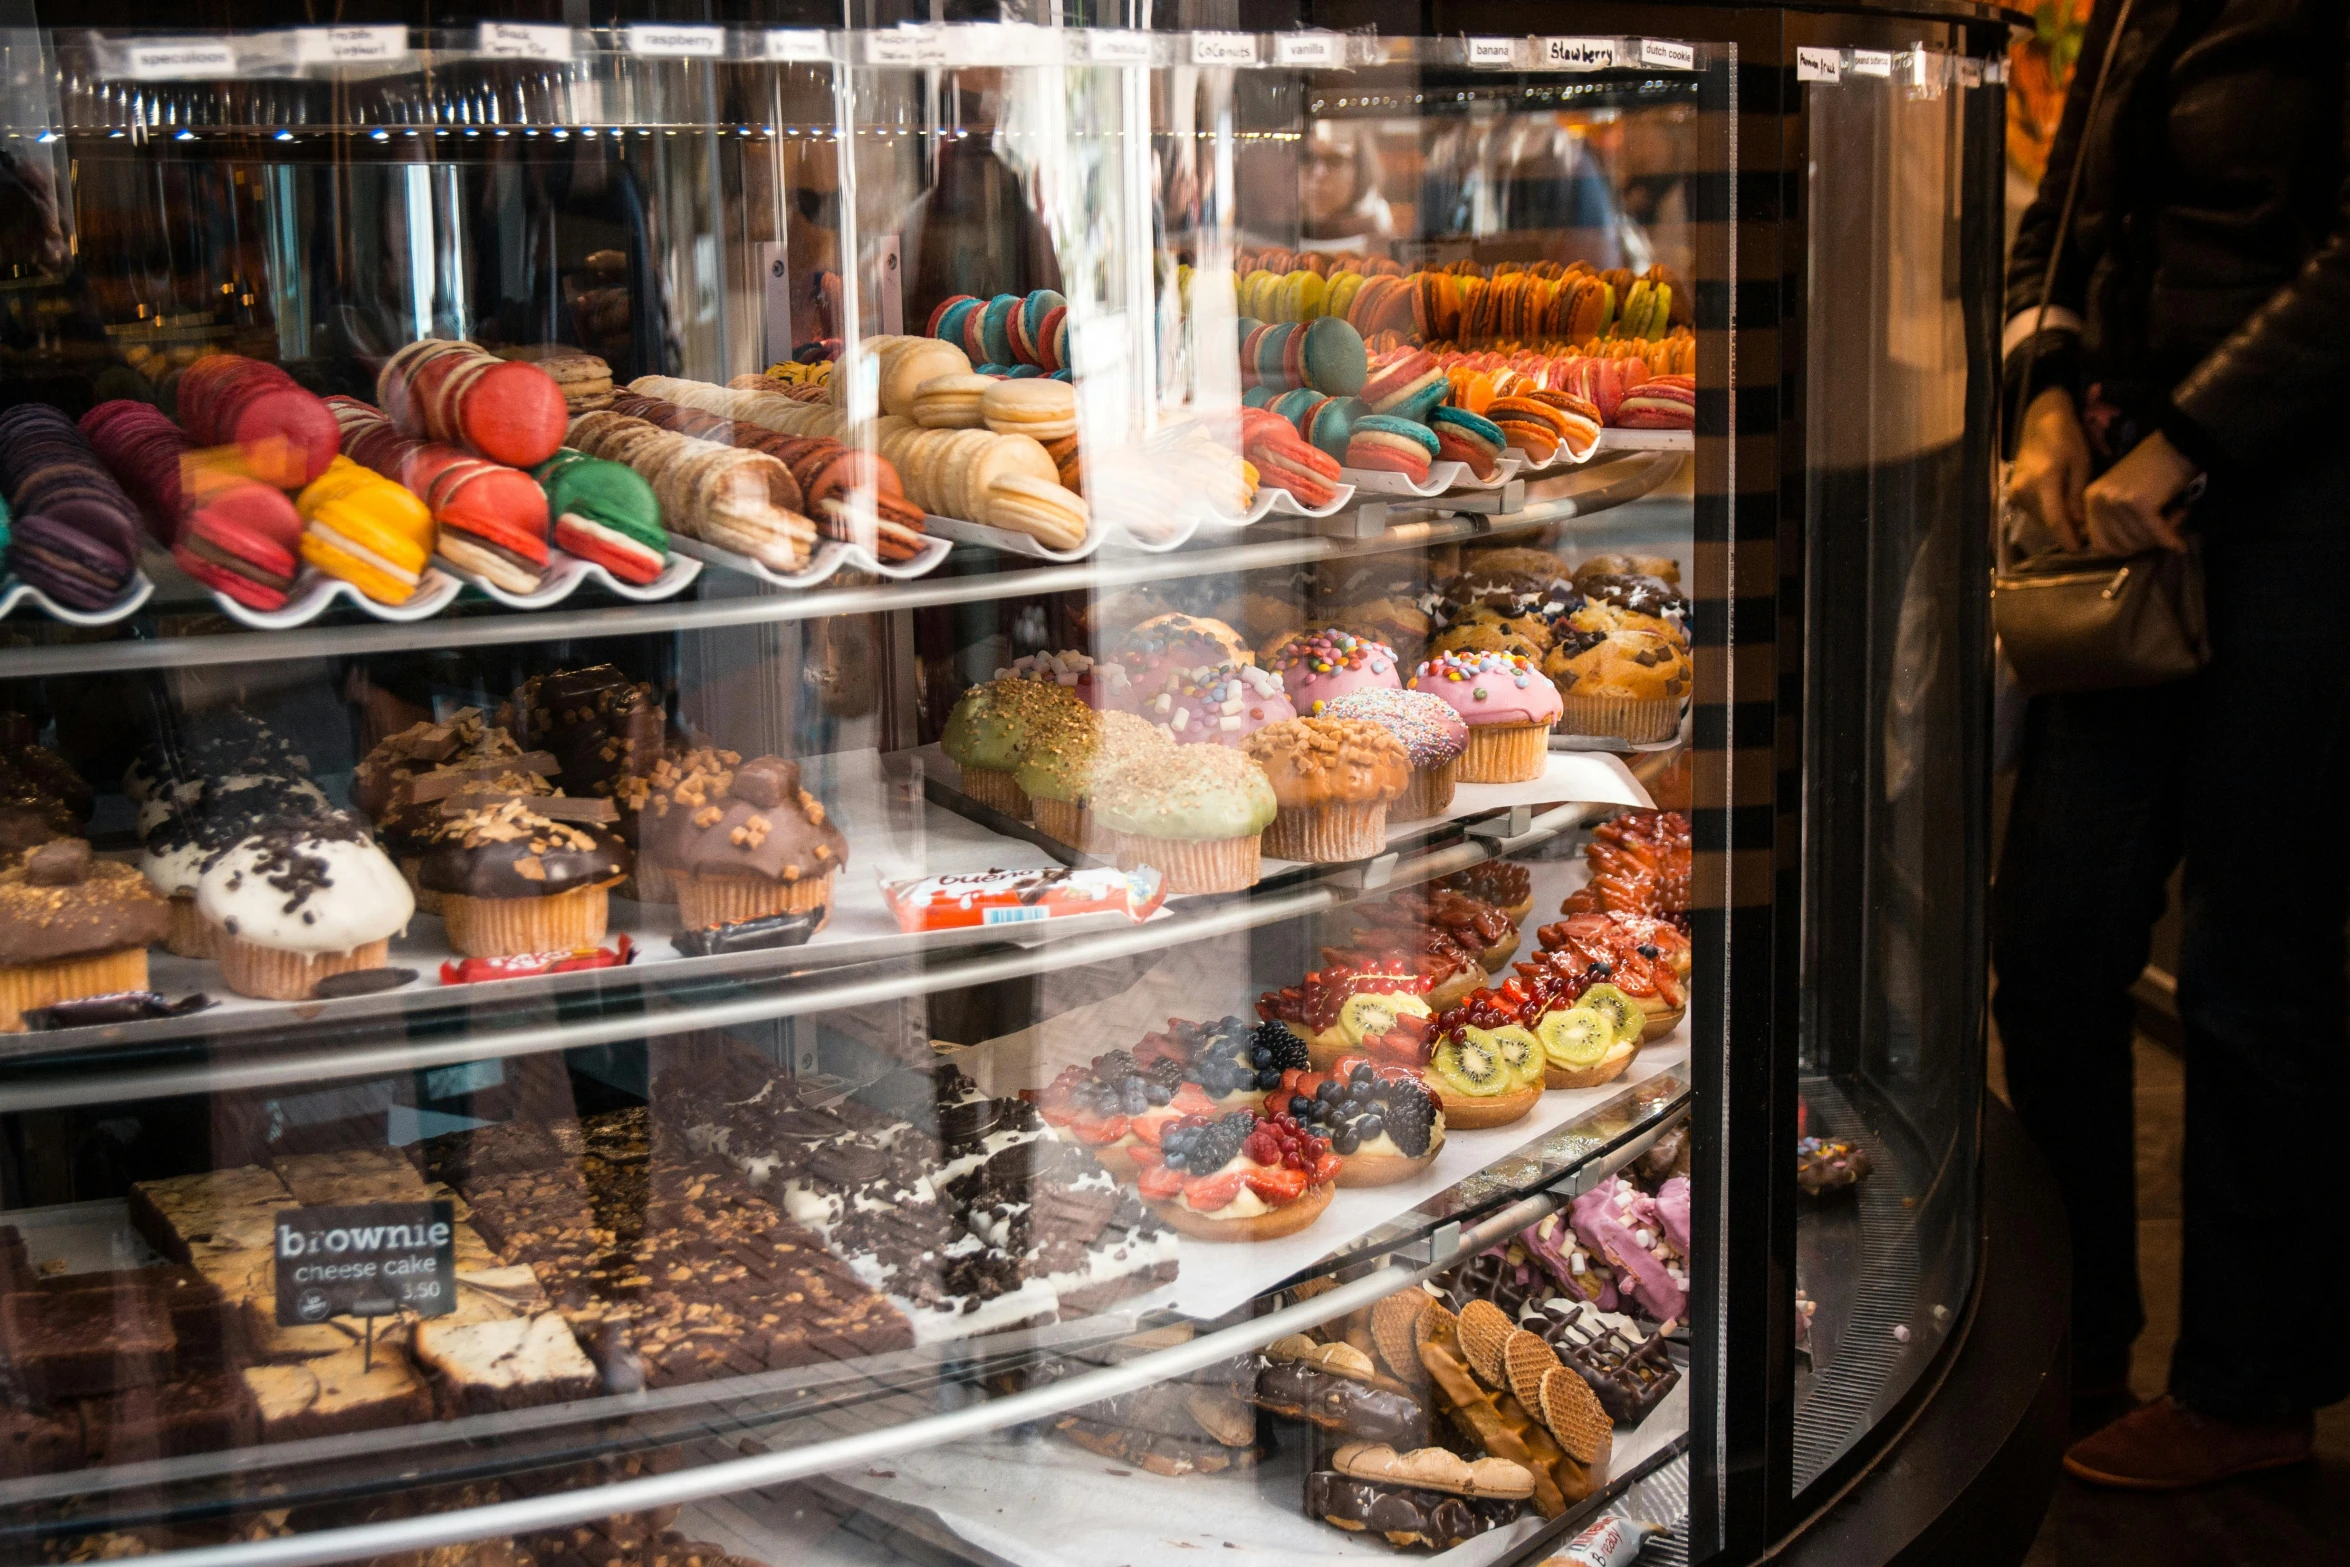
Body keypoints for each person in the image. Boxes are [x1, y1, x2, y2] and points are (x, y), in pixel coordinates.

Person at [1995, 0, 2350, 1491]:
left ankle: (2245, 1388)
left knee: (2250, 973)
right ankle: (2071, 1339)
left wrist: (2190, 438)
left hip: (2302, 513)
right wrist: (2044, 402)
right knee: (2052, 938)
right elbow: (2058, 226)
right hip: (2120, 514)